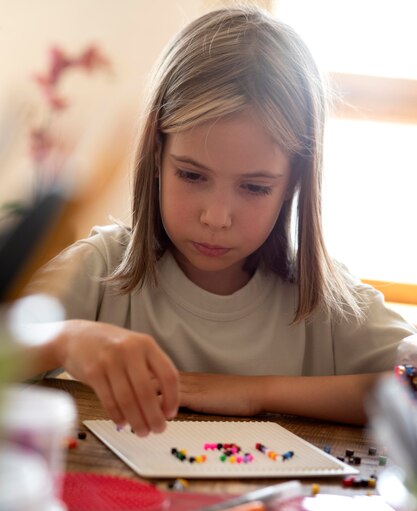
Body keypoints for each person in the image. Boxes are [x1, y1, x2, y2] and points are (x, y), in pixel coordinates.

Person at [27, 6, 416, 436]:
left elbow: (411, 387)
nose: (215, 218)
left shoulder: (325, 300)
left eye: (254, 187)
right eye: (192, 175)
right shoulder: (100, 269)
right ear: (157, 153)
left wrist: (256, 392)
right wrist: (63, 338)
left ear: (293, 181)